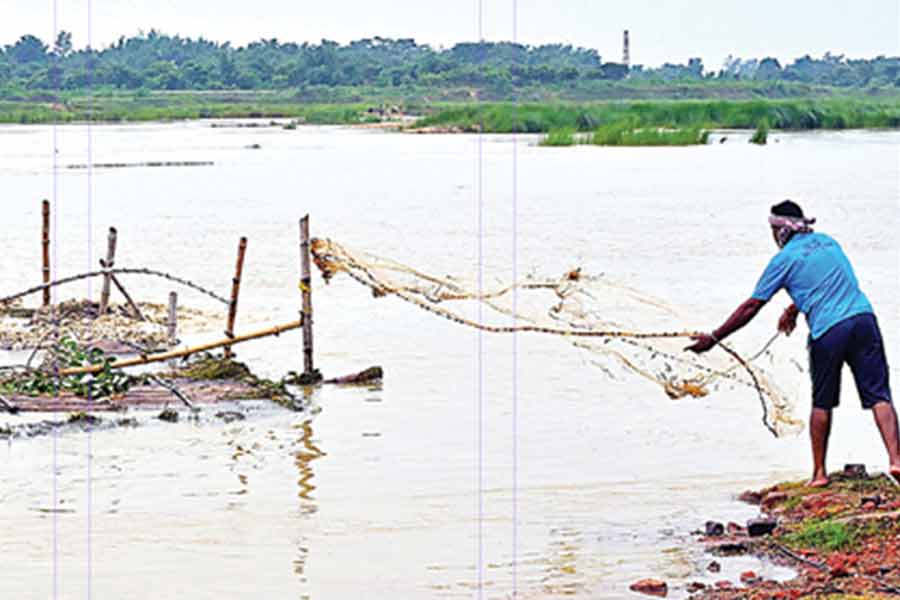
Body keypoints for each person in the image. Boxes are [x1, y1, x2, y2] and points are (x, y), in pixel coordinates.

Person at [685, 200, 897, 487]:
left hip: (828, 331)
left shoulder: (783, 259)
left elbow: (751, 307)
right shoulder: (828, 242)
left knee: (822, 402)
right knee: (879, 395)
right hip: (863, 319)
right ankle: (896, 460)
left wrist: (714, 338)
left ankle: (819, 474)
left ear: (780, 232)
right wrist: (795, 308)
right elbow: (826, 281)